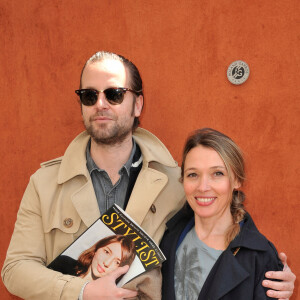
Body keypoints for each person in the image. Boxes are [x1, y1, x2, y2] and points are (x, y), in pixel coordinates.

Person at [1, 51, 295, 300]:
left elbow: (223, 215)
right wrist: (83, 291)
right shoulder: (45, 183)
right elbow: (15, 269)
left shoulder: (177, 182)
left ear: (138, 104)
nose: (101, 104)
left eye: (114, 94)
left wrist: (268, 268)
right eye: (89, 95)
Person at [160, 128, 295, 300]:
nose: (203, 187)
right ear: (183, 181)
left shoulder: (260, 257)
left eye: (217, 173)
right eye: (193, 174)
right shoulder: (166, 237)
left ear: (237, 180)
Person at [48, 235, 136, 280]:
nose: (106, 263)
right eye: (106, 252)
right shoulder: (63, 263)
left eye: (117, 262)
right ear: (96, 249)